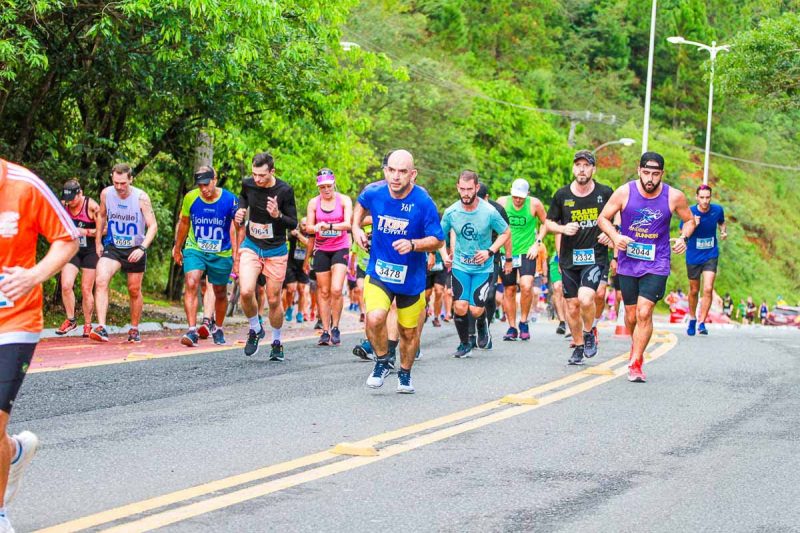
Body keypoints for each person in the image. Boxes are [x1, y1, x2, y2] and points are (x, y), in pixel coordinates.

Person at [0, 158, 80, 532]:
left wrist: (33, 275)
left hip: (15, 321)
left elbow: (67, 239)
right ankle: (13, 453)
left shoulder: (25, 185)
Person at [598, 152, 695, 382]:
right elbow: (603, 218)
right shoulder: (624, 192)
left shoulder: (674, 196)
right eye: (646, 173)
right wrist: (615, 236)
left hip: (657, 261)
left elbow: (689, 220)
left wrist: (683, 238)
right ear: (638, 170)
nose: (650, 178)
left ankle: (637, 361)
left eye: (655, 174)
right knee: (631, 316)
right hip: (628, 261)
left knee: (644, 311)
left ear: (662, 174)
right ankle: (636, 347)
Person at [352, 150, 444, 393]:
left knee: (408, 332)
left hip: (411, 279)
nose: (396, 176)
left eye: (402, 171)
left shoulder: (423, 202)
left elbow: (438, 240)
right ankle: (382, 361)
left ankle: (405, 373)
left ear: (412, 174)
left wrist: (414, 244)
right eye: (391, 170)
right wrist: (355, 229)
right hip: (380, 271)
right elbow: (360, 207)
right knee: (374, 318)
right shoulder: (374, 192)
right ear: (385, 171)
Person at [546, 150, 614, 364]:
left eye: (587, 165)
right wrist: (563, 229)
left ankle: (589, 330)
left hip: (594, 256)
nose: (582, 169)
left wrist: (610, 231)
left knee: (586, 298)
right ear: (574, 168)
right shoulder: (562, 195)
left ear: (593, 169)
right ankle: (578, 344)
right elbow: (548, 223)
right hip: (569, 259)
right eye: (578, 165)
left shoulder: (604, 192)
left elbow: (617, 215)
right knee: (572, 306)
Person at [234, 152, 298, 360]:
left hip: (276, 250)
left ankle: (277, 342)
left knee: (273, 299)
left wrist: (277, 215)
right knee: (246, 291)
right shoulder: (248, 184)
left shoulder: (285, 190)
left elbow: (293, 223)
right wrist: (241, 210)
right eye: (254, 174)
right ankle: (255, 328)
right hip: (252, 245)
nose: (257, 180)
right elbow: (243, 197)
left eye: (262, 175)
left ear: (272, 171)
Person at [441, 171, 510, 358]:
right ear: (457, 187)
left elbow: (505, 233)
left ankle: (482, 323)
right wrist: (444, 254)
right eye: (462, 189)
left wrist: (490, 251)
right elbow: (439, 236)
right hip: (460, 265)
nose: (465, 193)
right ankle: (465, 344)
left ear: (477, 188)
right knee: (461, 306)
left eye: (469, 189)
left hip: (483, 267)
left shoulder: (489, 212)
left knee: (476, 309)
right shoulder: (451, 212)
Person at [90, 163, 158, 343]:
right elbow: (102, 216)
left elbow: (153, 226)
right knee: (101, 279)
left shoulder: (141, 198)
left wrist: (142, 247)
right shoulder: (106, 193)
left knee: (134, 290)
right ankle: (102, 327)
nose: (119, 187)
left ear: (131, 179)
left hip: (135, 248)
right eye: (116, 183)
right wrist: (98, 241)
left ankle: (134, 328)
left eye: (123, 183)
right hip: (113, 247)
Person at [172, 167, 239, 346]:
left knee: (219, 291)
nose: (203, 189)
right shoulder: (190, 198)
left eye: (206, 184)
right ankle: (192, 330)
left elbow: (238, 228)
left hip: (221, 252)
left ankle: (218, 327)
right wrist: (177, 248)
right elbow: (184, 223)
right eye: (200, 185)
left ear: (215, 180)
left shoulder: (230, 199)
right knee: (192, 281)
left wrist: (237, 256)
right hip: (196, 248)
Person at [303, 169, 352, 346]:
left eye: (328, 186)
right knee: (323, 292)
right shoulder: (314, 203)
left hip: (340, 247)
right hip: (322, 248)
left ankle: (336, 326)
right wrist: (316, 228)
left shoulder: (344, 200)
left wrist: (330, 225)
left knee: (336, 289)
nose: (326, 190)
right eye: (322, 187)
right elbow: (308, 227)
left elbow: (348, 224)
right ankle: (325, 330)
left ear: (334, 183)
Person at [496, 178, 547, 341]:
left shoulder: (535, 204)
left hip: (527, 251)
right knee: (509, 289)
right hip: (507, 251)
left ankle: (523, 321)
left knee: (526, 285)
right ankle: (512, 327)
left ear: (528, 195)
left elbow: (546, 223)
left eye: (521, 197)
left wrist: (537, 243)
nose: (518, 200)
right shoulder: (502, 202)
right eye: (515, 196)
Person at [56, 179, 100, 337]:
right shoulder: (64, 205)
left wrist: (87, 232)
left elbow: (105, 228)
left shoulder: (92, 206)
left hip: (90, 250)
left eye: (72, 199)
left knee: (86, 288)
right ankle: (71, 320)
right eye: (67, 200)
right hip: (72, 250)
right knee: (66, 285)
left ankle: (88, 324)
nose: (70, 203)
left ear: (80, 193)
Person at [683, 184, 727, 336]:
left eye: (708, 197)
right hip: (693, 255)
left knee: (708, 288)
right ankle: (693, 318)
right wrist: (693, 224)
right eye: (702, 197)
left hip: (710, 254)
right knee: (694, 290)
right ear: (697, 197)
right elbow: (683, 232)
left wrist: (723, 231)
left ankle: (702, 322)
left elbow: (721, 222)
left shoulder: (717, 210)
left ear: (711, 197)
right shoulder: (690, 211)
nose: (705, 201)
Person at [284, 219, 311, 323]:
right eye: (303, 225)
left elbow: (309, 244)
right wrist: (292, 233)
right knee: (290, 289)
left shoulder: (311, 234)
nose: (304, 227)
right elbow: (287, 237)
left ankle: (300, 312)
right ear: (299, 225)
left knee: (302, 290)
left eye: (306, 225)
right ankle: (289, 308)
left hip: (304, 265)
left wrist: (299, 235)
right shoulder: (294, 233)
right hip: (291, 264)